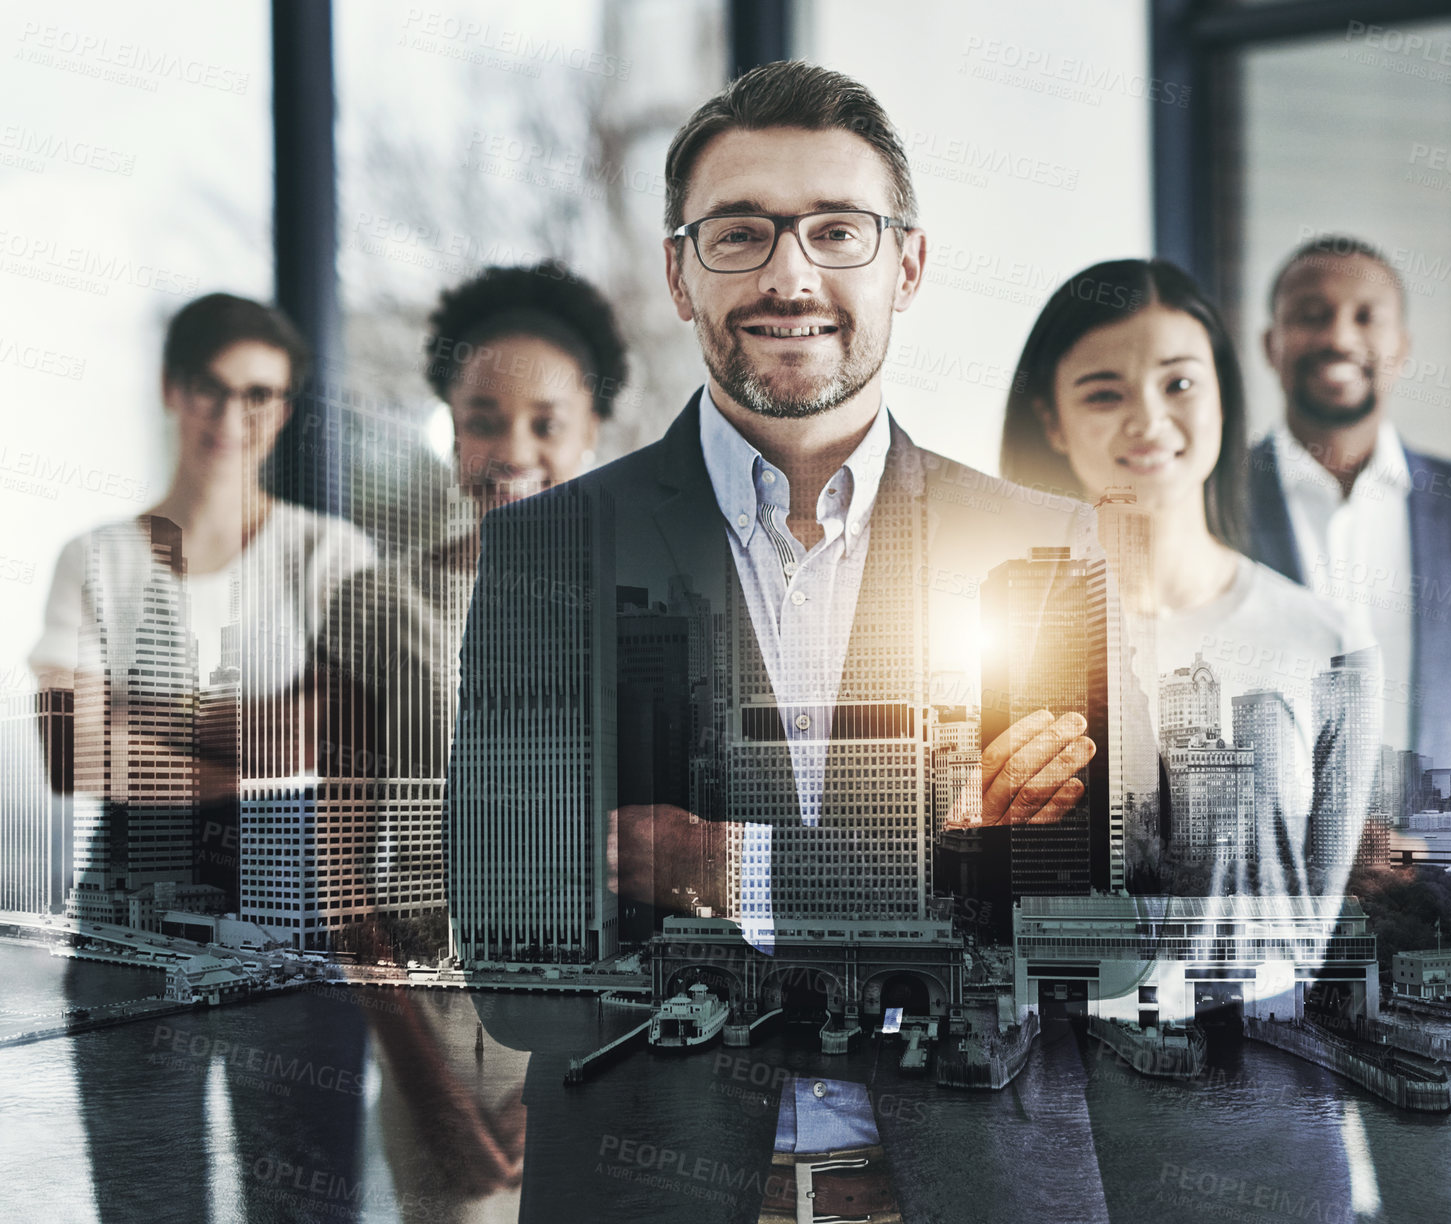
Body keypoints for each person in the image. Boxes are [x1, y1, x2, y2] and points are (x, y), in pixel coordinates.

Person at [446, 61, 1111, 1223]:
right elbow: (516, 957)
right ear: (678, 271)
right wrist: (948, 854)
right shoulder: (549, 552)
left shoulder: (1044, 545)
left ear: (906, 263)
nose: (789, 275)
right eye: (741, 233)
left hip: (972, 1180)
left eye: (837, 231)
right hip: (646, 1177)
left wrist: (715, 865)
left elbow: (1104, 936)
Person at [999, 258, 1382, 1220]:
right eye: (1102, 390)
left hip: (1266, 1133)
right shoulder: (988, 623)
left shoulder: (1324, 642)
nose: (1148, 418)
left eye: (1178, 381)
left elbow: (1310, 927)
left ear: (1222, 395)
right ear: (1050, 418)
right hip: (1041, 1124)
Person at [28, 292, 375, 1223]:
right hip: (129, 925)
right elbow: (71, 752)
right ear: (173, 392)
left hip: (291, 924)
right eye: (212, 390)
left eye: (258, 394)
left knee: (305, 1206)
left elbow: (334, 740)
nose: (232, 417)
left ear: (286, 407)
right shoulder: (95, 558)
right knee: (146, 1203)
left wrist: (147, 711)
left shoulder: (329, 556)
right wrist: (255, 738)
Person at [314, 261, 629, 1221]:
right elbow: (337, 877)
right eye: (482, 418)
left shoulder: (651, 606)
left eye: (546, 421)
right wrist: (424, 1084)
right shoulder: (378, 606)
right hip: (439, 1030)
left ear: (593, 434)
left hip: (613, 1030)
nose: (512, 448)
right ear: (450, 433)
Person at [1248, 234, 1451, 775]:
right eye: (1311, 314)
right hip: (1266, 860)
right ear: (1271, 344)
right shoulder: (1209, 502)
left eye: (1365, 316)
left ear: (1400, 347)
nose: (1338, 335)